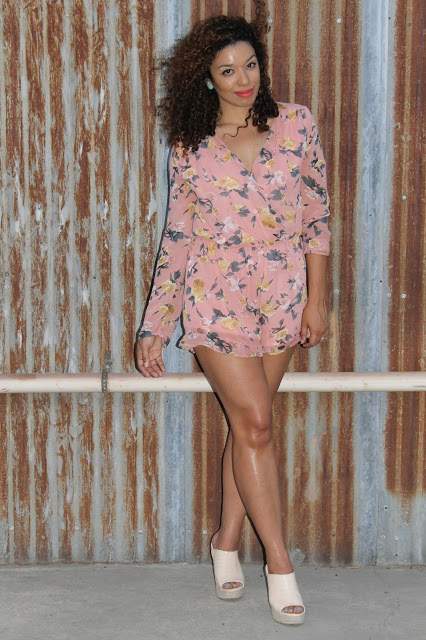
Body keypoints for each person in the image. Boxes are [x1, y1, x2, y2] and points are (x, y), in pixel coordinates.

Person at [136, 3, 330, 627]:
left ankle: (225, 542)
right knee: (256, 424)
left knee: (250, 428)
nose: (243, 79)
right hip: (214, 299)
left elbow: (316, 216)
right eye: (227, 70)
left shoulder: (296, 124)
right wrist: (155, 325)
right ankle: (279, 564)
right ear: (207, 78)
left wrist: (317, 299)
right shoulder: (190, 147)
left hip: (281, 298)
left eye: (250, 64)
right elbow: (178, 237)